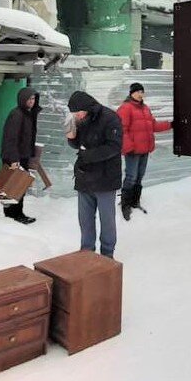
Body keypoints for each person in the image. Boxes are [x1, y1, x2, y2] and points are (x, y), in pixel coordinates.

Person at [67, 91, 123, 258]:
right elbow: (79, 143)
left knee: (107, 220)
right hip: (84, 177)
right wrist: (72, 138)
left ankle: (107, 254)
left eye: (78, 112)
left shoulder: (110, 118)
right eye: (74, 114)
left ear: (88, 108)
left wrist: (87, 156)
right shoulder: (80, 119)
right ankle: (86, 252)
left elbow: (114, 147)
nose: (77, 116)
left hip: (105, 178)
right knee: (85, 219)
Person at [117, 82, 172, 221]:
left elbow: (153, 125)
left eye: (142, 92)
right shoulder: (126, 108)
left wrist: (170, 124)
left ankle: (135, 201)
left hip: (144, 149)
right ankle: (125, 204)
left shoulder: (145, 108)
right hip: (133, 151)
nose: (140, 94)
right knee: (131, 177)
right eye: (137, 92)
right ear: (131, 93)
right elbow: (121, 130)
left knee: (139, 176)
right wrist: (128, 147)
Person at [0, 87, 40, 224]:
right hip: (14, 157)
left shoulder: (27, 114)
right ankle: (12, 216)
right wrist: (14, 160)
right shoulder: (17, 114)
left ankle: (16, 214)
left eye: (33, 98)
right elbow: (11, 138)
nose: (32, 101)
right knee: (14, 187)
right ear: (23, 99)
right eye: (29, 99)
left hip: (22, 156)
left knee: (19, 186)